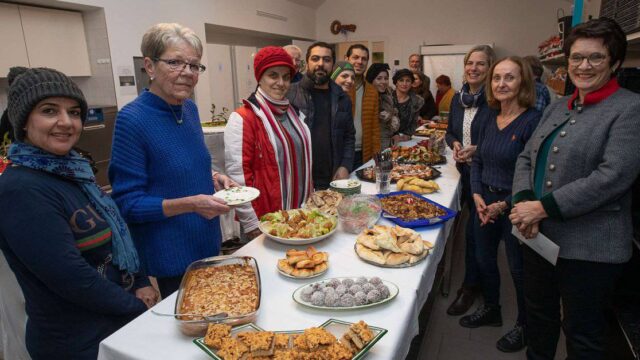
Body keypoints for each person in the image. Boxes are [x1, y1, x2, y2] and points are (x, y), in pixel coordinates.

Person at [0, 67, 157, 359]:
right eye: (49, 111)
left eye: (74, 112)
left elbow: (116, 233)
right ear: (22, 122)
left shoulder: (73, 170)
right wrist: (138, 309)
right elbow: (72, 279)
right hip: (76, 341)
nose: (66, 122)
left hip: (113, 321)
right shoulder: (20, 189)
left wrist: (141, 281)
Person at [509, 17, 640, 359]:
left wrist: (542, 207)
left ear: (614, 62)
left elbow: (612, 177)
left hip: (590, 249)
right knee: (539, 322)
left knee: (583, 334)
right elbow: (527, 157)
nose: (583, 66)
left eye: (595, 57)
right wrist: (524, 202)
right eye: (576, 58)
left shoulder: (630, 109)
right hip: (538, 238)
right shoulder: (557, 106)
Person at [109, 23, 235, 298]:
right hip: (171, 256)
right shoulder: (132, 119)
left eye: (194, 65)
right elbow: (128, 204)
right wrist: (191, 204)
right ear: (150, 66)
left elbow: (181, 164)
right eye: (175, 62)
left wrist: (214, 177)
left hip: (206, 243)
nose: (187, 73)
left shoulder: (188, 108)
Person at [461, 57, 541, 353]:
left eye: (510, 77)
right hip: (485, 201)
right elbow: (479, 158)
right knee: (483, 259)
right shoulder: (489, 116)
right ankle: (492, 309)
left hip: (516, 206)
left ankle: (525, 325)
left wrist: (503, 205)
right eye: (497, 78)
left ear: (523, 83)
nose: (502, 84)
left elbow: (533, 173)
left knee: (518, 270)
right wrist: (478, 195)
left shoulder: (533, 121)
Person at [225, 46, 313, 241]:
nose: (281, 83)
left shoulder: (296, 115)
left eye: (286, 77)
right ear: (260, 77)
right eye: (273, 75)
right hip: (264, 220)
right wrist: (251, 224)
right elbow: (238, 176)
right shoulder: (243, 118)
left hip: (300, 217)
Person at [445, 45, 496, 316]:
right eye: (470, 63)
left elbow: (499, 138)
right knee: (471, 231)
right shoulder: (458, 98)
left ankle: (473, 288)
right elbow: (450, 131)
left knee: (478, 234)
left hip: (485, 173)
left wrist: (478, 149)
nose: (473, 68)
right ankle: (475, 283)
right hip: (463, 170)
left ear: (490, 69)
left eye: (481, 64)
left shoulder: (495, 100)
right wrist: (454, 143)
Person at [287, 42, 356, 189]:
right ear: (307, 62)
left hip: (332, 178)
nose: (320, 64)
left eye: (326, 59)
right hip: (299, 179)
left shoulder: (342, 98)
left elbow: (349, 136)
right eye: (315, 58)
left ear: (332, 64)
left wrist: (345, 165)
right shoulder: (289, 94)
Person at [345, 44, 380, 169]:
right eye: (355, 57)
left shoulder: (372, 91)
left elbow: (375, 127)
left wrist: (376, 154)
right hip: (342, 154)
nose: (360, 62)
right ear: (347, 59)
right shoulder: (338, 87)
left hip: (364, 153)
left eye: (364, 59)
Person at [366, 63, 399, 150]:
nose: (383, 82)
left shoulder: (389, 96)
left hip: (388, 145)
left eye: (386, 78)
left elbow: (393, 121)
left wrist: (396, 133)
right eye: (379, 78)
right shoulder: (366, 99)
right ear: (371, 80)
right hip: (372, 146)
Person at [391, 68, 424, 144]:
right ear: (396, 82)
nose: (404, 84)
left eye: (408, 80)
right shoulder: (388, 98)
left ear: (412, 83)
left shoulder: (416, 101)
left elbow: (414, 122)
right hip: (388, 139)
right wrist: (394, 135)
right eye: (401, 80)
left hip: (405, 140)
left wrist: (408, 135)